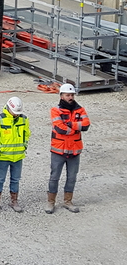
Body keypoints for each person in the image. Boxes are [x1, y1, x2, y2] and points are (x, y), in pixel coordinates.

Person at [47, 83, 90, 214]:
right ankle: (50, 202)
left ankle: (68, 201)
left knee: (72, 177)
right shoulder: (56, 110)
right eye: (68, 95)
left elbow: (86, 125)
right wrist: (76, 127)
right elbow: (60, 128)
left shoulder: (80, 109)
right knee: (54, 177)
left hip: (74, 151)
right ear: (61, 96)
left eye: (72, 95)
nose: (70, 97)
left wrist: (70, 124)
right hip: (58, 150)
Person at [0, 96, 30, 213]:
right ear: (8, 108)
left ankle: (14, 201)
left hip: (18, 157)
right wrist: (0, 148)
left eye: (18, 112)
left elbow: (27, 134)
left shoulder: (24, 119)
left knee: (15, 179)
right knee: (0, 179)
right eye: (14, 112)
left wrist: (24, 146)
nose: (16, 115)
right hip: (3, 156)